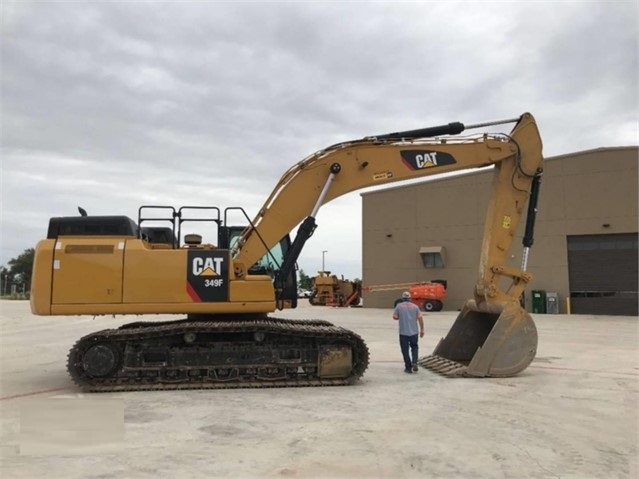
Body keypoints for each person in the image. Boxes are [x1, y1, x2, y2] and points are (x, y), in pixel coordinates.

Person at [392, 291, 424, 373]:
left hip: (403, 333)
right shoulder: (415, 307)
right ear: (410, 298)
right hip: (414, 332)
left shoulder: (399, 306)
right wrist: (422, 330)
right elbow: (420, 318)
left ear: (402, 298)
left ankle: (408, 367)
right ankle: (414, 362)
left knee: (405, 350)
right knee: (414, 347)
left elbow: (395, 317)